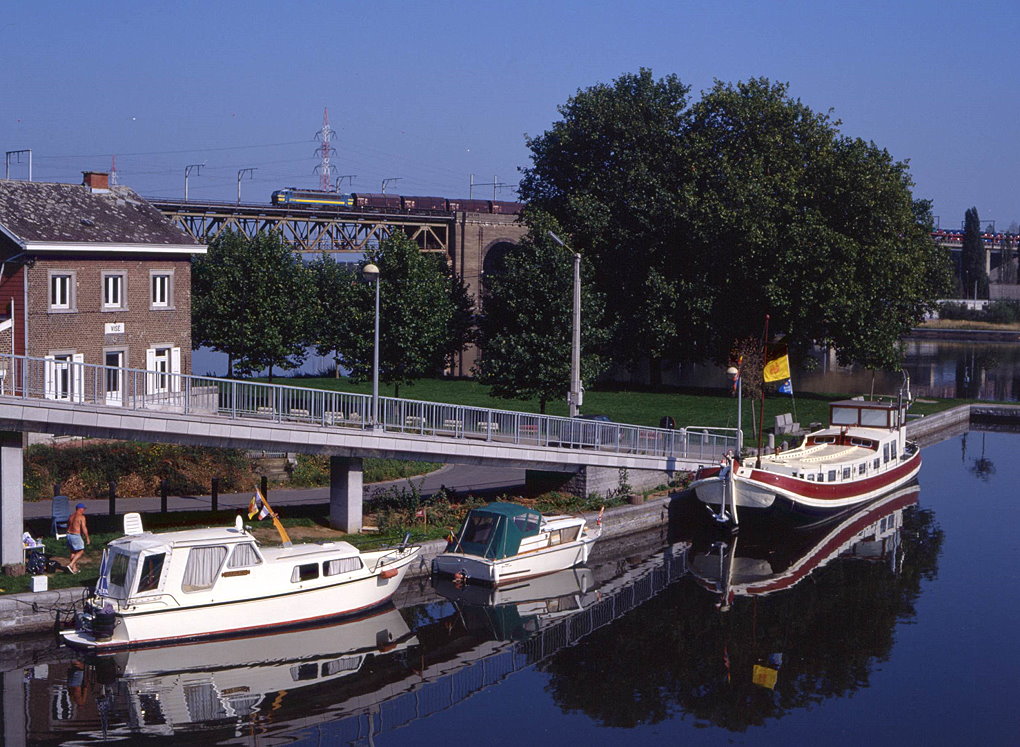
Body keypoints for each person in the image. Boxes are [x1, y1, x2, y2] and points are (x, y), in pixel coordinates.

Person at [66, 503, 90, 574]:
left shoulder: (71, 516)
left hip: (69, 534)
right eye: (84, 509)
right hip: (75, 535)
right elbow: (84, 528)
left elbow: (68, 525)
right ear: (80, 509)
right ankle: (71, 565)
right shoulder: (81, 517)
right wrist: (87, 537)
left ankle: (74, 569)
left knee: (73, 551)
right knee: (81, 551)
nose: (84, 510)